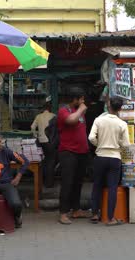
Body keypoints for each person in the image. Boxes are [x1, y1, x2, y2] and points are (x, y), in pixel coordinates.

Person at [88, 97, 130, 226]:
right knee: (112, 187)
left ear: (108, 105)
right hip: (115, 158)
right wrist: (118, 144)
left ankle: (95, 214)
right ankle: (111, 218)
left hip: (100, 156)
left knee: (97, 185)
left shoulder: (98, 120)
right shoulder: (122, 124)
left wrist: (99, 144)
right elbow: (127, 144)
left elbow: (91, 137)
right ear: (120, 108)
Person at [57, 87, 91, 225]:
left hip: (82, 152)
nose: (83, 101)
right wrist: (82, 109)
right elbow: (71, 121)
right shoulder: (63, 111)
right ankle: (63, 213)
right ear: (74, 99)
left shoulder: (79, 111)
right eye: (81, 98)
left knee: (78, 182)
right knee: (67, 183)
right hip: (68, 152)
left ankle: (76, 210)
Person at [31, 97, 57, 188]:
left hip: (40, 142)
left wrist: (36, 135)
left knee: (42, 161)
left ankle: (40, 181)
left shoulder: (38, 116)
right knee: (51, 161)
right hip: (50, 142)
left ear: (43, 109)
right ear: (50, 109)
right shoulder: (54, 116)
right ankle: (49, 183)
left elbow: (32, 127)